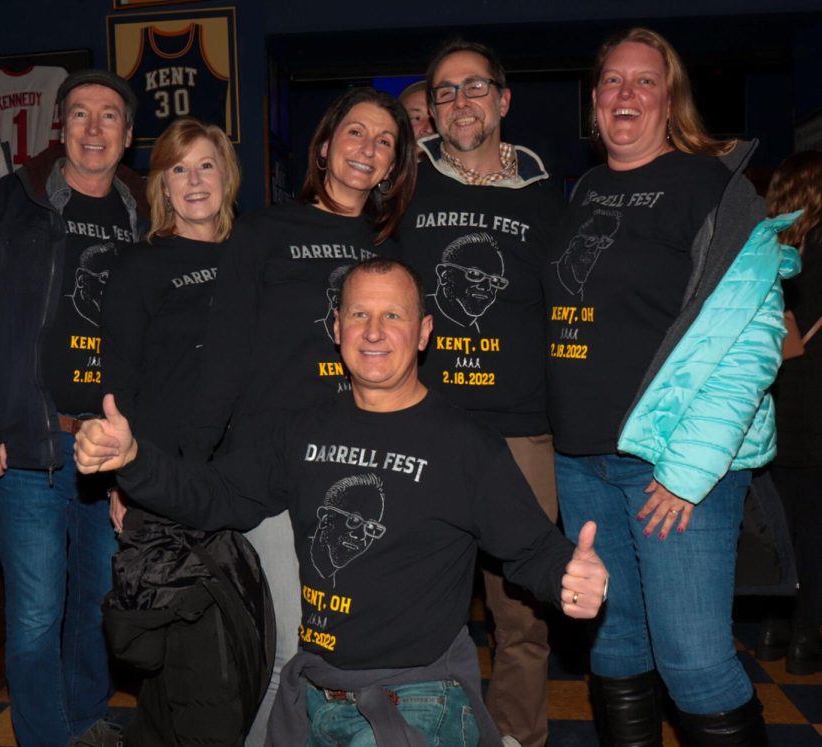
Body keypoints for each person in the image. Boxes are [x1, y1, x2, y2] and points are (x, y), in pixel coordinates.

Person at [75, 257, 610, 747]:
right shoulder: (303, 430)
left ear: (423, 332)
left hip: (416, 700)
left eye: (394, 316)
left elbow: (531, 547)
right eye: (359, 314)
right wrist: (135, 457)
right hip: (315, 693)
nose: (374, 332)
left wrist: (569, 575)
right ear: (337, 328)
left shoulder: (466, 446)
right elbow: (217, 496)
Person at [542, 27, 800, 745]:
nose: (627, 94)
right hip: (580, 459)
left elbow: (754, 344)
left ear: (670, 99)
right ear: (595, 103)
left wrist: (688, 473)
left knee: (694, 661)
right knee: (616, 647)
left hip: (671, 467)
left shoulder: (712, 188)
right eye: (613, 82)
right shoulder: (587, 188)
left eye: (644, 81)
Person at [190, 87, 418, 745]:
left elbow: (402, 370)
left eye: (384, 142)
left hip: (357, 470)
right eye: (356, 133)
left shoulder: (389, 248)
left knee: (349, 651)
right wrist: (184, 474)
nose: (367, 149)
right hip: (272, 468)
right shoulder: (265, 231)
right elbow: (224, 359)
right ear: (324, 145)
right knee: (291, 650)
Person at [0, 69, 146, 746]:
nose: (92, 129)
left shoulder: (147, 213)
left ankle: (84, 720)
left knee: (94, 606)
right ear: (61, 128)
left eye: (107, 116)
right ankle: (46, 738)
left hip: (113, 451)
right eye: (79, 114)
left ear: (128, 133)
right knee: (34, 614)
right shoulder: (10, 203)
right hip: (30, 447)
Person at [398, 38, 564, 747]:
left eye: (475, 87)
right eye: (445, 91)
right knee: (408, 600)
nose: (461, 101)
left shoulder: (548, 198)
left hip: (524, 433)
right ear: (431, 111)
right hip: (423, 425)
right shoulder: (405, 187)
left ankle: (517, 737)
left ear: (502, 99)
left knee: (522, 615)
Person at [99, 117, 273, 745]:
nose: (194, 180)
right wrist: (128, 482)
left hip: (249, 475)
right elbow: (118, 383)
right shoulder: (140, 268)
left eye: (206, 164)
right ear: (162, 186)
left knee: (256, 641)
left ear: (227, 174)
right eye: (178, 168)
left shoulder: (255, 255)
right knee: (188, 660)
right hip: (169, 480)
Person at [758, 150, 822, 675]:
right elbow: (798, 340)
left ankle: (775, 630)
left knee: (780, 524)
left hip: (771, 405)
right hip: (814, 404)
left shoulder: (768, 249)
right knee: (811, 529)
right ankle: (804, 637)